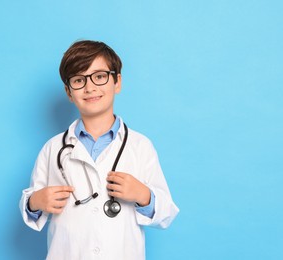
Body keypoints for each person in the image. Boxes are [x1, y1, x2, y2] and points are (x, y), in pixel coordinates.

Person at [19, 40, 179, 260]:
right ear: (68, 92)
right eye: (78, 80)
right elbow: (31, 204)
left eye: (100, 76)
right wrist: (36, 201)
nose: (90, 87)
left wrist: (143, 195)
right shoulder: (53, 148)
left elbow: (166, 213)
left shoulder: (140, 146)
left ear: (117, 82)